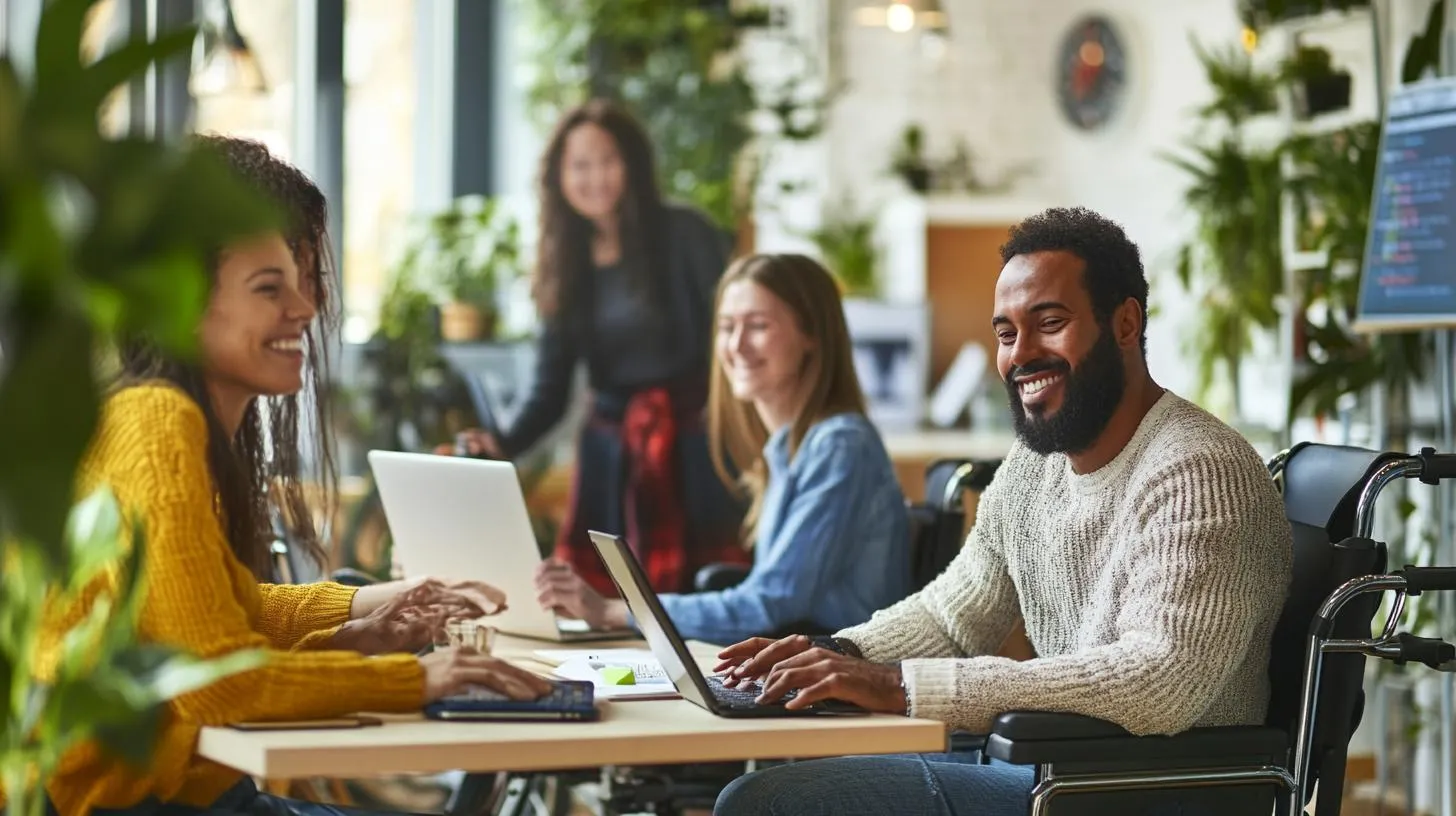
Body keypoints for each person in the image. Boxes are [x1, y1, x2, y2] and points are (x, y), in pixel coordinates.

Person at [711, 207, 1294, 815]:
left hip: (1135, 794)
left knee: (763, 804)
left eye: (1050, 322)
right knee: (794, 774)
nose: (1021, 355)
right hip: (1061, 774)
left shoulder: (1200, 470)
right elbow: (952, 617)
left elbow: (1156, 681)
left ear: (1125, 323)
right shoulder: (1034, 464)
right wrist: (836, 654)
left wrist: (898, 685)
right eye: (1007, 334)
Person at [35, 136, 551, 816]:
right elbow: (217, 685)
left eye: (308, 278)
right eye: (270, 285)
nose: (307, 309)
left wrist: (363, 616)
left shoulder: (171, 420)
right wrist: (417, 679)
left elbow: (226, 611)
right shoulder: (157, 423)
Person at [446, 99, 750, 600]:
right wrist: (501, 443)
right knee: (600, 608)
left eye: (608, 160)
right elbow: (550, 390)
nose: (596, 178)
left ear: (634, 163)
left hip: (698, 451)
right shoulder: (561, 260)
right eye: (580, 166)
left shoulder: (686, 233)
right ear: (558, 178)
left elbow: (729, 347)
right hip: (611, 461)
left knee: (705, 600)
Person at [534, 254, 912, 644]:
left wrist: (613, 610)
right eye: (727, 327)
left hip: (840, 681)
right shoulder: (790, 449)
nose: (736, 345)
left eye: (759, 326)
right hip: (801, 666)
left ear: (811, 335)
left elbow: (769, 606)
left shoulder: (840, 447)